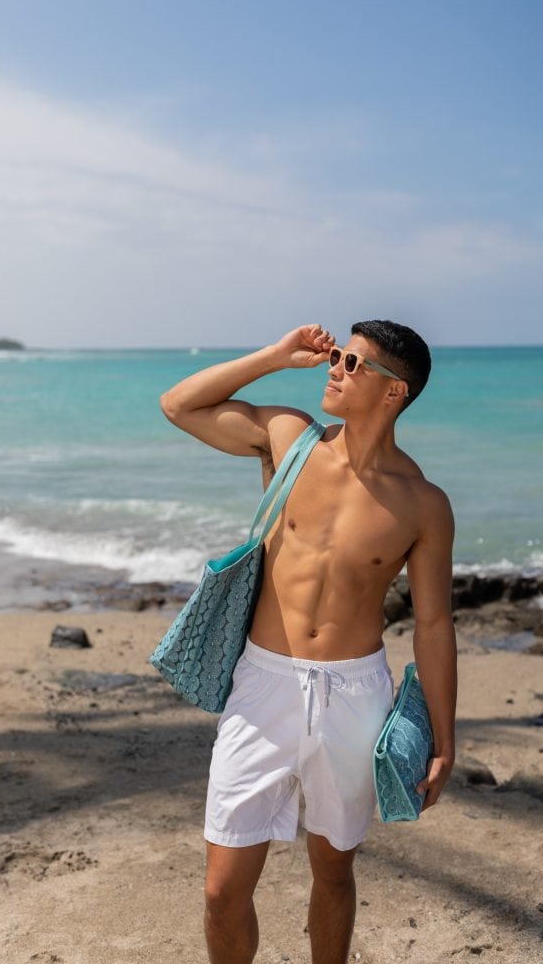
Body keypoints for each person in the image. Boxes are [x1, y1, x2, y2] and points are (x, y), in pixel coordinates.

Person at [159, 321, 457, 964]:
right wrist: (273, 356)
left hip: (356, 695)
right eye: (339, 356)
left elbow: (434, 625)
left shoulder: (423, 503)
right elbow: (179, 404)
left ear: (393, 391)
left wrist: (444, 735)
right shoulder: (289, 440)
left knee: (333, 873)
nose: (335, 367)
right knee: (221, 892)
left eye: (352, 362)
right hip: (262, 686)